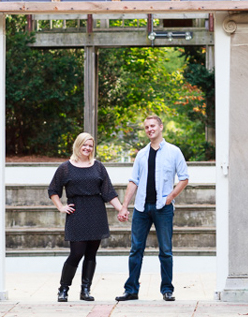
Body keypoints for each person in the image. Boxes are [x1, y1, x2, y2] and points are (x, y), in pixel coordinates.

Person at [116, 115, 189, 302]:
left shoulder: (173, 152)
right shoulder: (141, 154)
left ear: (161, 127)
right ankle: (131, 289)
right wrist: (124, 206)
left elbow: (184, 178)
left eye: (153, 126)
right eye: (147, 127)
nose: (149, 129)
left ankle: (167, 289)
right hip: (141, 208)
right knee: (135, 250)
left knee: (165, 250)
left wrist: (170, 197)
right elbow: (134, 180)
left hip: (162, 208)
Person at [49, 132, 127, 302]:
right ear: (78, 145)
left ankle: (85, 290)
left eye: (90, 145)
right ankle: (63, 289)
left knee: (91, 254)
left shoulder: (98, 166)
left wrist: (121, 209)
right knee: (76, 253)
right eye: (84, 144)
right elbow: (53, 190)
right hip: (77, 213)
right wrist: (61, 206)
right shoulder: (65, 167)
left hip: (96, 212)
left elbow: (108, 192)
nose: (87, 148)